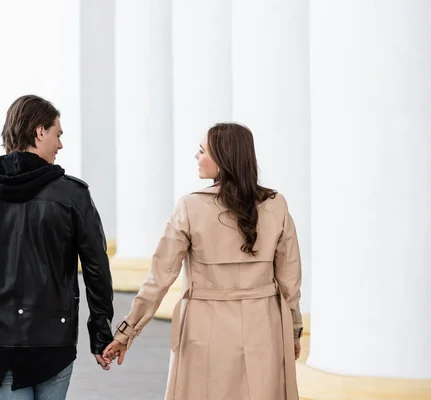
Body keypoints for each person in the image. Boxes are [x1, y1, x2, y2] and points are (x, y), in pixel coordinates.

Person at [0, 94, 114, 400]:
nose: (60, 145)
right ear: (39, 132)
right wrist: (100, 333)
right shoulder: (73, 195)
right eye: (57, 134)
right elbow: (97, 268)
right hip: (54, 340)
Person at [104, 123, 303, 400]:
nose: (196, 157)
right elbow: (290, 280)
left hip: (205, 329)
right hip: (264, 327)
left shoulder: (189, 207)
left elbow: (159, 277)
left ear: (223, 158)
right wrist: (294, 330)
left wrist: (127, 331)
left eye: (202, 151)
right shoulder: (276, 204)